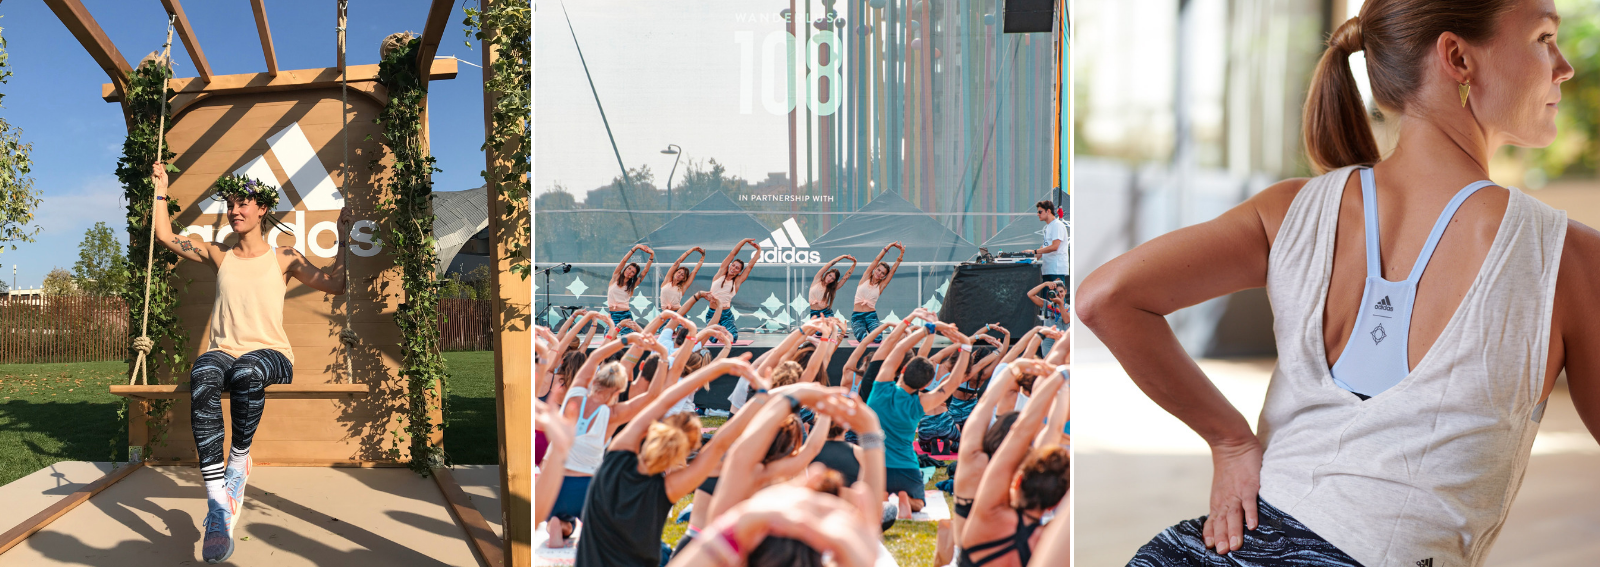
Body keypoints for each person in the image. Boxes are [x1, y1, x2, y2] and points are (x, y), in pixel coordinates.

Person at [1077, 1, 1592, 564]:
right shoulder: (1564, 256)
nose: (1563, 66)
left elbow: (1107, 296)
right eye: (1544, 37)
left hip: (1211, 547)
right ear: (1457, 58)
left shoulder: (1290, 210)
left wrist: (1230, 440)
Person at [151, 164, 352, 564]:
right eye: (229, 204)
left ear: (262, 209)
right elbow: (164, 236)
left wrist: (344, 239)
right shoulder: (216, 253)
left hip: (271, 354)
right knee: (203, 374)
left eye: (242, 203)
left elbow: (334, 283)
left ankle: (238, 462)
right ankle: (218, 506)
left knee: (247, 371)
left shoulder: (285, 256)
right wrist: (161, 189)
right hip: (223, 351)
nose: (234, 210)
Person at [574, 355, 772, 567]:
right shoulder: (668, 488)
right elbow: (719, 445)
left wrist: (717, 368)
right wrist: (761, 397)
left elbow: (665, 400)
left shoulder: (616, 457)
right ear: (684, 451)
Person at [546, 333, 672, 547]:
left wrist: (627, 339)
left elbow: (595, 357)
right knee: (608, 531)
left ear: (595, 379)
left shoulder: (574, 395)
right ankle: (572, 527)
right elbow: (653, 396)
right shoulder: (612, 416)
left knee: (560, 520)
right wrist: (663, 356)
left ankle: (557, 523)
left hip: (554, 481)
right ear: (618, 390)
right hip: (586, 487)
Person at [959, 367, 1067, 567]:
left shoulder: (989, 513)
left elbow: (1020, 431)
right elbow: (1055, 427)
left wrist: (1062, 377)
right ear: (1055, 504)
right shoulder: (1048, 543)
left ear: (1016, 480)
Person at [869, 320, 974, 518]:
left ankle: (883, 495)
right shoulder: (922, 402)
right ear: (927, 383)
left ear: (902, 370)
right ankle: (904, 498)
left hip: (877, 466)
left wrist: (927, 329)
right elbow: (953, 382)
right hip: (906, 466)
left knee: (872, 495)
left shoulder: (880, 389)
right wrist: (966, 345)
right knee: (918, 504)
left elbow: (898, 350)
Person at [706, 238, 762, 343]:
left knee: (733, 338)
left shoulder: (737, 282)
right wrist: (744, 241)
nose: (733, 268)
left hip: (726, 314)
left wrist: (758, 250)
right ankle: (720, 333)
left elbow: (750, 266)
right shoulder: (720, 273)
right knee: (713, 339)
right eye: (733, 265)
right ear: (730, 265)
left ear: (739, 271)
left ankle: (725, 334)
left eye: (737, 268)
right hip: (713, 313)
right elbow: (733, 253)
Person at [849, 242, 905, 341]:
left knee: (878, 339)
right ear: (875, 269)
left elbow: (892, 271)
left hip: (871, 316)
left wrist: (901, 254)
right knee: (863, 338)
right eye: (878, 270)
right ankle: (861, 330)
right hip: (857, 317)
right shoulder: (865, 277)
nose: (879, 273)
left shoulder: (881, 286)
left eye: (883, 273)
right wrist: (889, 246)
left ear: (884, 276)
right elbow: (877, 259)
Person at [607, 245, 655, 335]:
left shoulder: (632, 285)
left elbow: (645, 272)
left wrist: (651, 256)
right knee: (608, 337)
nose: (629, 272)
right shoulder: (615, 277)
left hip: (625, 315)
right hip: (613, 314)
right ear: (626, 268)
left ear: (634, 275)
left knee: (628, 339)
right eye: (629, 268)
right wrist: (635, 248)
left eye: (633, 272)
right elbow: (624, 261)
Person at [1020, 200, 1068, 287]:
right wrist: (1032, 260)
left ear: (1048, 211)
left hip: (1055, 269)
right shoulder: (1049, 226)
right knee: (1048, 297)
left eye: (1040, 211)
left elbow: (1054, 246)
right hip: (1048, 268)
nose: (1038, 214)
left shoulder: (1057, 225)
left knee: (1056, 296)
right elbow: (1045, 246)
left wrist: (1034, 251)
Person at [809, 254, 858, 319]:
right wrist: (843, 256)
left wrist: (854, 264)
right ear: (827, 274)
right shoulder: (817, 280)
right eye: (830, 276)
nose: (830, 279)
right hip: (814, 313)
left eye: (833, 279)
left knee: (828, 329)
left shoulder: (831, 288)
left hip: (826, 313)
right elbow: (829, 265)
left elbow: (845, 277)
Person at [1027, 281, 1069, 356]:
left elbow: (1066, 320)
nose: (1059, 294)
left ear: (1065, 291)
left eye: (1061, 291)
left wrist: (1060, 304)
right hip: (1048, 340)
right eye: (1056, 292)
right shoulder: (1047, 305)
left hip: (1062, 339)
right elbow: (1030, 294)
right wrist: (1045, 284)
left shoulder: (1069, 308)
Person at [659, 247, 706, 312]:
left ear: (683, 279)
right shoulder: (667, 281)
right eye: (679, 272)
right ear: (675, 272)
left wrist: (702, 258)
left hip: (677, 313)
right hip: (664, 313)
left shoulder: (682, 288)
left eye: (682, 275)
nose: (679, 274)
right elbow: (678, 262)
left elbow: (694, 272)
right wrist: (691, 250)